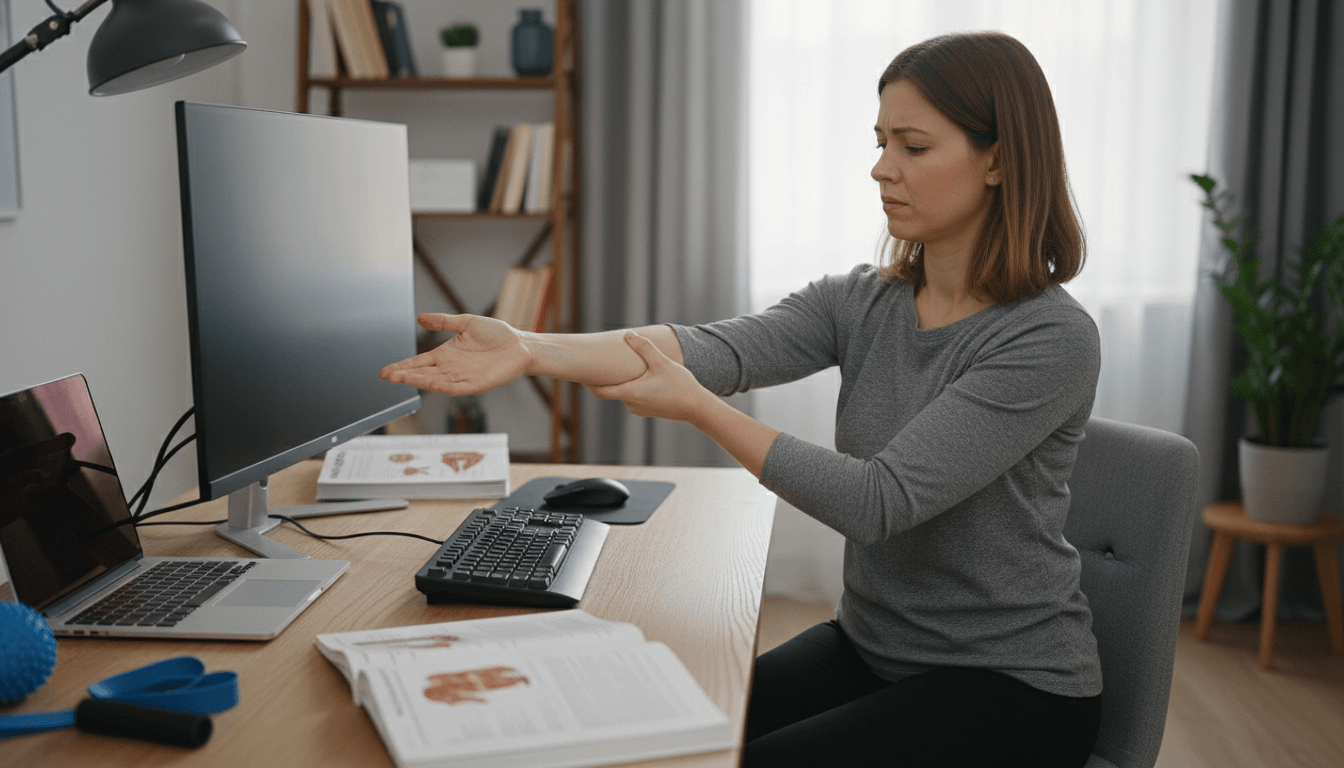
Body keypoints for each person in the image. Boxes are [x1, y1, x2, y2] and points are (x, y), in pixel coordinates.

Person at [382, 30, 1102, 767]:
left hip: (1009, 685)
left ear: (999, 160)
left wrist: (699, 407)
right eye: (881, 141)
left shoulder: (1048, 338)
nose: (882, 167)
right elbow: (708, 349)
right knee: (664, 735)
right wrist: (529, 348)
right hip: (873, 647)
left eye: (913, 147)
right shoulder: (863, 301)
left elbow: (877, 502)